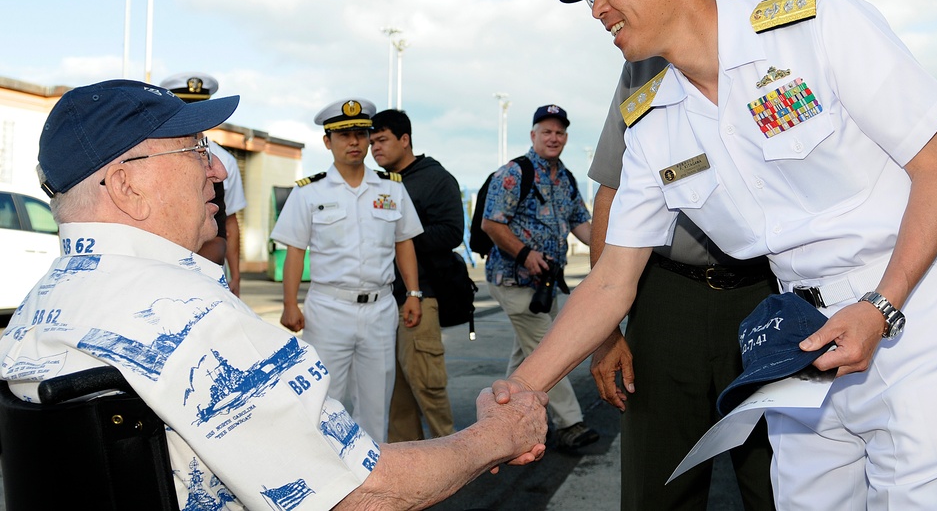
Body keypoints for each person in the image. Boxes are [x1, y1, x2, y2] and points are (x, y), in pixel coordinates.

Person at [494, 0, 937, 509]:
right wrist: (523, 390)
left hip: (912, 316)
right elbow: (611, 278)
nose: (598, 9)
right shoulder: (650, 119)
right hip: (802, 341)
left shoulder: (815, 28)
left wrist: (881, 306)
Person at [0, 79, 549, 510]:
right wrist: (496, 437)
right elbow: (362, 493)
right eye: (196, 150)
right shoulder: (193, 321)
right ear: (127, 186)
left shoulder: (35, 311)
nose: (218, 169)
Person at [587, 0, 782, 510]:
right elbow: (611, 196)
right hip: (666, 298)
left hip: (770, 294)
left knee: (784, 480)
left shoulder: (787, 50)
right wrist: (603, 335)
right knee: (660, 484)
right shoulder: (644, 70)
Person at [270, 98, 423, 444]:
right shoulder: (310, 192)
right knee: (325, 396)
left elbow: (404, 244)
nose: (353, 142)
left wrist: (413, 294)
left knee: (376, 402)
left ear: (369, 138)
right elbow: (295, 250)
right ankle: (327, 474)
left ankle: (373, 479)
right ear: (328, 142)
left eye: (360, 134)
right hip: (329, 308)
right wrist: (290, 303)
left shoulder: (391, 187)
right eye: (343, 135)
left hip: (381, 308)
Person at [482, 104, 597, 451]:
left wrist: (614, 251)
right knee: (550, 348)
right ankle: (570, 423)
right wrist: (525, 254)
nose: (554, 137)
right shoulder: (514, 173)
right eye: (546, 131)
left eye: (560, 132)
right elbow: (492, 223)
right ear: (533, 135)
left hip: (546, 284)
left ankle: (502, 413)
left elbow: (582, 224)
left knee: (526, 356)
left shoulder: (565, 177)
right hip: (514, 281)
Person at [370, 108, 463, 442]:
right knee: (396, 395)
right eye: (371, 142)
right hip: (384, 301)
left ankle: (454, 455)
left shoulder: (435, 179)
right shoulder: (380, 184)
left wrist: (401, 237)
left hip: (421, 297)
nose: (374, 148)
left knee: (428, 386)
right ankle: (407, 465)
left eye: (382, 140)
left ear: (405, 139)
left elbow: (452, 233)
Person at [161, 71, 248, 296]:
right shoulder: (155, 157)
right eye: (186, 107)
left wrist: (235, 275)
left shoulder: (223, 161)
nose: (215, 173)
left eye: (199, 109)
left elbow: (228, 223)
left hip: (207, 273)